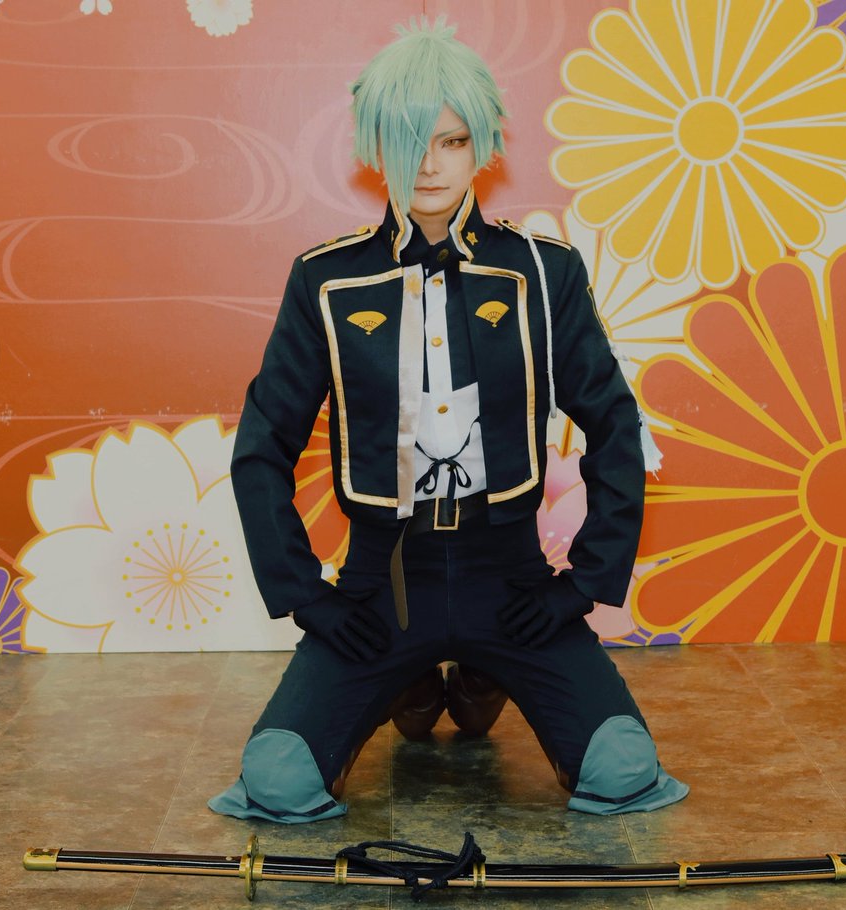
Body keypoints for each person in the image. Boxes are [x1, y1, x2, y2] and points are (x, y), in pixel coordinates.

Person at [210, 17, 687, 824]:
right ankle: (408, 672)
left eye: (453, 141)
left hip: (512, 581)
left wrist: (583, 585)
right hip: (381, 585)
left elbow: (614, 423)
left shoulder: (544, 272)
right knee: (278, 781)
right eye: (407, 142)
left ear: (483, 146)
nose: (429, 164)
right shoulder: (325, 280)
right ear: (373, 148)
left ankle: (480, 672)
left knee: (622, 770)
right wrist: (308, 598)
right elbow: (262, 448)